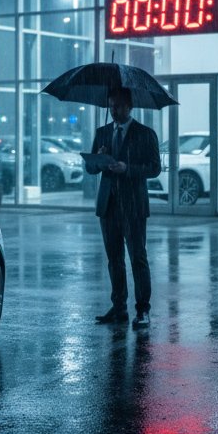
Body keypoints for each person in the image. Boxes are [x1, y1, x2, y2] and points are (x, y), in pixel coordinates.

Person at [84, 87, 161, 330]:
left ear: (129, 106)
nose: (113, 110)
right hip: (108, 206)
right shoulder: (103, 133)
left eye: (117, 106)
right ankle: (118, 308)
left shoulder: (145, 134)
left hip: (133, 206)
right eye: (110, 106)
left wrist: (127, 168)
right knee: (114, 259)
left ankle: (142, 310)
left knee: (138, 257)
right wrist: (99, 159)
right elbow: (91, 169)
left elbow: (154, 168)